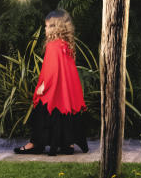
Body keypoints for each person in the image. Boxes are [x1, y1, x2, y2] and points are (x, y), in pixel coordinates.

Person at [14, 9, 88, 157]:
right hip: (64, 90)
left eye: (47, 26)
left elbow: (52, 69)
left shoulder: (53, 45)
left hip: (53, 88)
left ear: (56, 27)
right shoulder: (66, 45)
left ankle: (35, 144)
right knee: (63, 113)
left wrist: (43, 85)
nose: (45, 29)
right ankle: (68, 144)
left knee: (42, 112)